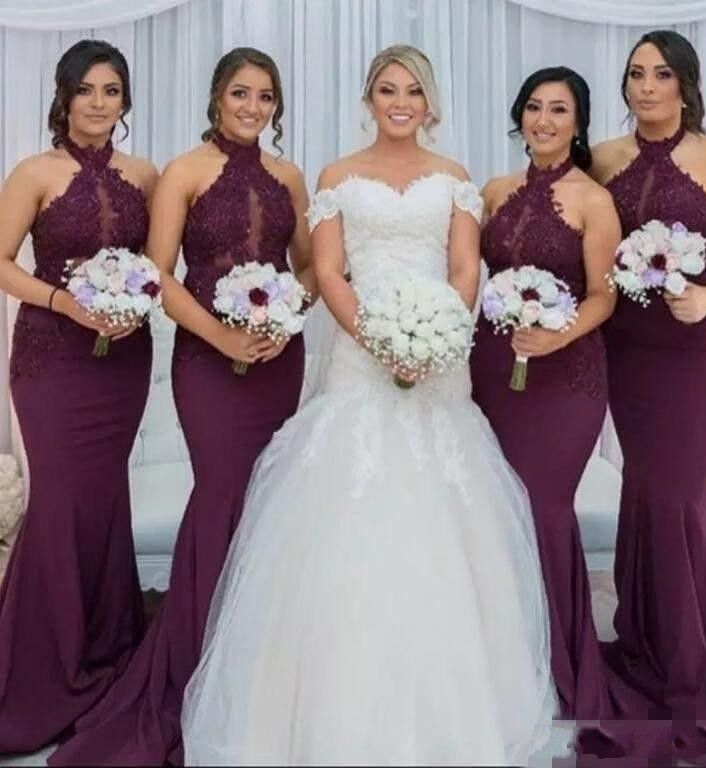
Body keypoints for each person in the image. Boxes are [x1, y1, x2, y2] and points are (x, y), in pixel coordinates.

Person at [181, 44, 555, 766]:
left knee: (448, 519)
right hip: (361, 357)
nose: (400, 101)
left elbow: (463, 267)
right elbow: (325, 269)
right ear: (369, 98)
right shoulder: (335, 178)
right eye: (387, 88)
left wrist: (439, 333)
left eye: (412, 89)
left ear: (431, 101)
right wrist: (380, 340)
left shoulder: (455, 179)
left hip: (439, 360)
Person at [50, 47, 313, 766]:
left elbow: (312, 265)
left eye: (266, 96)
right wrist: (222, 330)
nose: (253, 107)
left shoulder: (290, 176)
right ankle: (191, 664)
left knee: (266, 499)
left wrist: (291, 314)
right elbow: (158, 273)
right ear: (215, 98)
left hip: (274, 359)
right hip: (206, 358)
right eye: (240, 93)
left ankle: (254, 664)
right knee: (223, 492)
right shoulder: (183, 173)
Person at [589, 29, 706, 762]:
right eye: (635, 74)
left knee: (684, 494)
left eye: (662, 74)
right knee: (648, 489)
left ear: (686, 84)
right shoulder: (603, 159)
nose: (646, 86)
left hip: (703, 347)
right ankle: (652, 636)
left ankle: (699, 664)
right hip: (630, 351)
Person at [0, 39, 157, 754]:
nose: (100, 103)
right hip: (52, 354)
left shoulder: (145, 174)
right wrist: (66, 301)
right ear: (63, 98)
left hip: (121, 358)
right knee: (60, 500)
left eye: (113, 91)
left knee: (104, 498)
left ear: (125, 102)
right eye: (87, 90)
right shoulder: (34, 172)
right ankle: (40, 671)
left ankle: (104, 649)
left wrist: (134, 304)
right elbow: (1, 263)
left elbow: (158, 265)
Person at [471, 66, 619, 720]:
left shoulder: (594, 199)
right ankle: (499, 664)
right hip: (494, 368)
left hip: (567, 373)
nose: (544, 121)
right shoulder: (495, 191)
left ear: (579, 122)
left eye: (559, 110)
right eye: (534, 107)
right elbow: (455, 265)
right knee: (494, 509)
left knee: (544, 507)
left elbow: (604, 294)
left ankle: (560, 664)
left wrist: (557, 337)